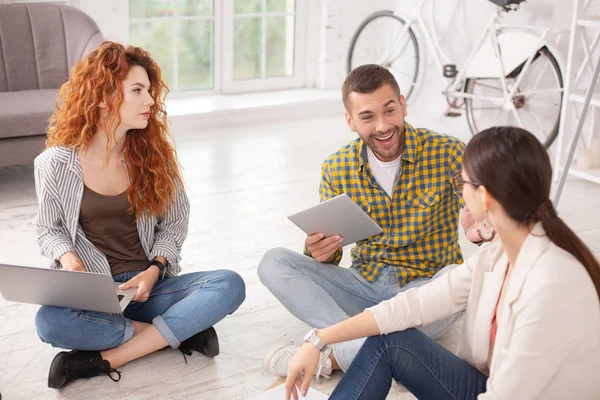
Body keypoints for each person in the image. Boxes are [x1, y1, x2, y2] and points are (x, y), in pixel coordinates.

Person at [285, 126, 600, 400]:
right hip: (487, 387)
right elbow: (417, 304)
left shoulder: (553, 284)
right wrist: (320, 340)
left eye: (462, 182)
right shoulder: (498, 253)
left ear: (486, 197)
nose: (460, 190)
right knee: (392, 340)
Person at [33, 41, 246, 389]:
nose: (150, 100)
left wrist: (155, 269)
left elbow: (174, 224)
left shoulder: (153, 158)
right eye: (137, 90)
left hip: (149, 288)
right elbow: (49, 229)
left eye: (149, 90)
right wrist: (70, 261)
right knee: (49, 322)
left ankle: (102, 359)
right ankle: (179, 333)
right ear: (102, 96)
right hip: (96, 292)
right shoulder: (55, 163)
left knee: (228, 284)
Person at [258, 64, 483, 379]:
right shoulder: (336, 168)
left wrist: (478, 230)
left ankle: (333, 356)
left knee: (467, 280)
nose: (383, 125)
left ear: (402, 105)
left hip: (422, 288)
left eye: (389, 110)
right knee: (273, 263)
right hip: (363, 286)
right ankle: (363, 345)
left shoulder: (447, 152)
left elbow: (484, 215)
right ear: (350, 121)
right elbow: (332, 252)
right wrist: (321, 251)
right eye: (367, 117)